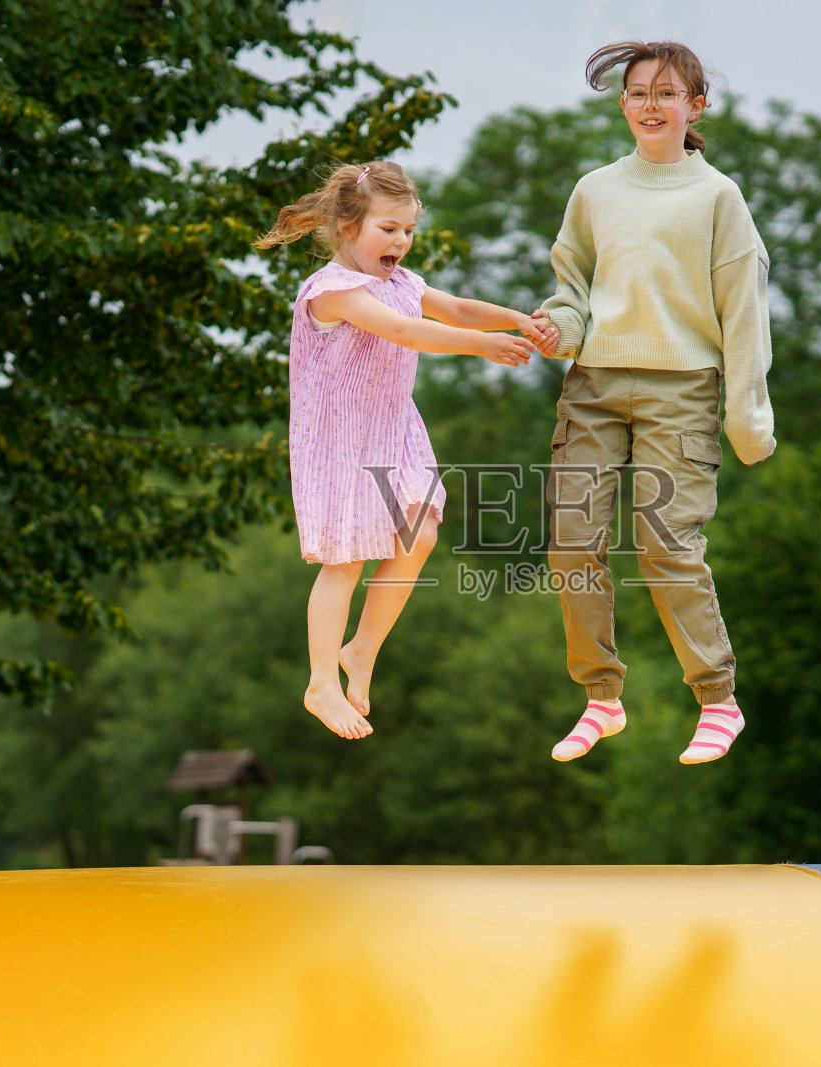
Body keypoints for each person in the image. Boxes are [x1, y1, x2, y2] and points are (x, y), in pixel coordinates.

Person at [533, 41, 776, 765]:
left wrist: (747, 412)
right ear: (622, 105)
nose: (650, 105)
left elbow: (744, 311)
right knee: (572, 543)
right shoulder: (595, 190)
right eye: (637, 93)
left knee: (666, 545)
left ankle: (718, 699)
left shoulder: (717, 198)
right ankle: (601, 697)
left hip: (683, 389)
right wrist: (561, 328)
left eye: (666, 94)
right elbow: (572, 285)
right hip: (595, 386)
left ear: (694, 107)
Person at [257, 160, 558, 740]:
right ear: (347, 226)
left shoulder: (402, 283)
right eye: (388, 229)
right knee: (345, 562)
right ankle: (321, 682)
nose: (401, 241)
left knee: (418, 533)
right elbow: (405, 332)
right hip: (341, 441)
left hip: (393, 429)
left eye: (408, 230)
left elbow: (458, 309)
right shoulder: (332, 292)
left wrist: (521, 320)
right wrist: (482, 348)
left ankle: (361, 651)